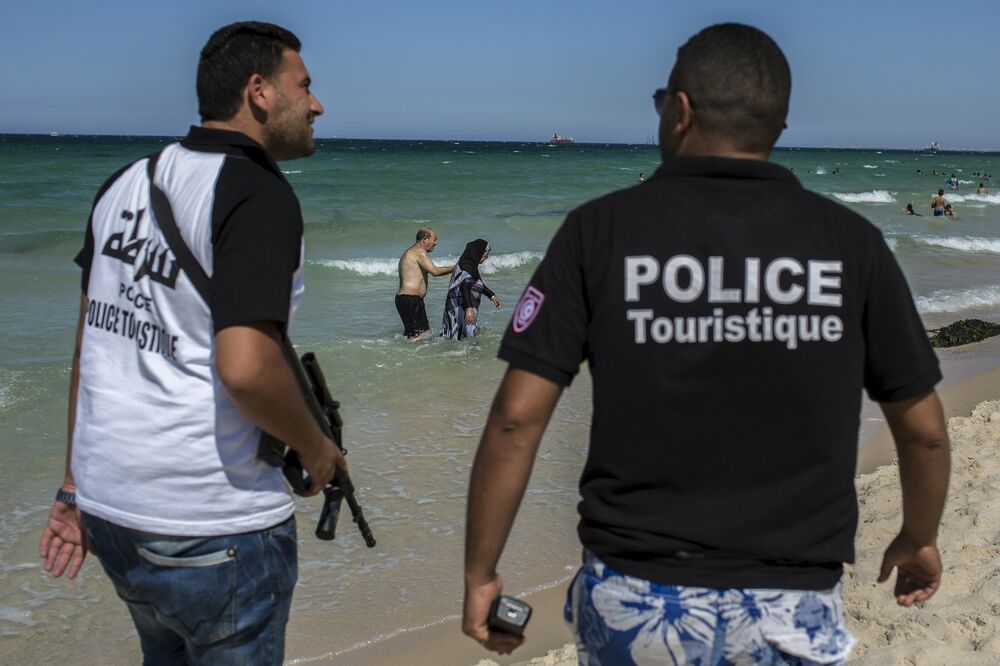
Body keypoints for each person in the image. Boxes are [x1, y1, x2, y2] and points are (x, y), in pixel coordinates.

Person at [463, 23, 949, 665]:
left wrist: (481, 574)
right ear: (777, 123)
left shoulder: (598, 232)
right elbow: (925, 432)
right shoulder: (851, 243)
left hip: (636, 592)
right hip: (790, 598)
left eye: (662, 99)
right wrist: (919, 536)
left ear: (681, 110)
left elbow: (515, 420)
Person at [38, 22, 345, 664]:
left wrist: (73, 487)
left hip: (111, 511)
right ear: (259, 92)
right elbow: (246, 369)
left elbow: (90, 347)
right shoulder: (257, 194)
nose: (317, 104)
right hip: (210, 526)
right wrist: (318, 449)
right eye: (305, 86)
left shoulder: (126, 183)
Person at [396, 227, 453, 340]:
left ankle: (404, 355)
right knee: (422, 335)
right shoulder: (418, 252)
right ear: (425, 239)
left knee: (416, 335)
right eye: (434, 239)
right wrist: (458, 267)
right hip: (410, 300)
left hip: (406, 300)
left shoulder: (411, 252)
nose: (436, 243)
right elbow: (435, 272)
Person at [440, 239, 500, 340]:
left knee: (453, 338)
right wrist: (469, 308)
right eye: (485, 254)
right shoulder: (467, 267)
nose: (486, 257)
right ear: (478, 253)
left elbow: (475, 283)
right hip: (460, 307)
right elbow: (465, 285)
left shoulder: (466, 264)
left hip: (455, 306)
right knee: (466, 339)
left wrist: (491, 295)